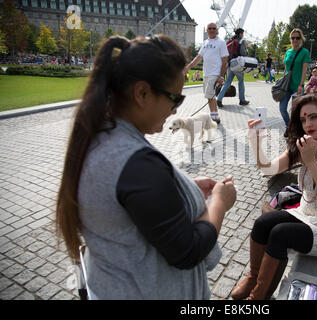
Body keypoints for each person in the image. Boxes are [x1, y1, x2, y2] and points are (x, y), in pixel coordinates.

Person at [55, 35, 237, 300]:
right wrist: (219, 202)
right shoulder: (137, 163)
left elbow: (128, 207)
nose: (175, 110)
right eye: (175, 98)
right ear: (142, 93)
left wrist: (178, 189)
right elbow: (187, 251)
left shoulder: (97, 136)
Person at [230, 94, 317, 300]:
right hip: (306, 214)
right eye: (302, 120)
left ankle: (257, 299)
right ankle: (253, 278)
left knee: (281, 234)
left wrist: (311, 162)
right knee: (263, 223)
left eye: (313, 117)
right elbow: (268, 170)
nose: (307, 124)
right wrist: (255, 143)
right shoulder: (304, 147)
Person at [184, 22, 228, 124]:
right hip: (206, 74)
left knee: (210, 95)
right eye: (210, 28)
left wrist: (221, 76)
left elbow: (225, 60)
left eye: (214, 28)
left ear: (217, 30)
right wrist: (189, 67)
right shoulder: (205, 43)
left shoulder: (221, 43)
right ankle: (214, 115)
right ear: (207, 30)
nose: (212, 30)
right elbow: (198, 57)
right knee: (209, 96)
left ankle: (215, 117)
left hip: (215, 73)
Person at [279, 28, 311, 137]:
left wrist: (301, 84)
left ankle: (296, 131)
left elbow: (304, 69)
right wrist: (282, 81)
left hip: (297, 86)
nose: (295, 40)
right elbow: (286, 68)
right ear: (290, 39)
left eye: (297, 38)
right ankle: (289, 126)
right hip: (286, 86)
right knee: (282, 108)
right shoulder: (288, 52)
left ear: (301, 39)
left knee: (295, 111)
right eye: (293, 38)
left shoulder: (304, 52)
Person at [216, 28, 250, 107]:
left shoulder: (230, 41)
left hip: (230, 63)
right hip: (237, 64)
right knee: (241, 81)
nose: (243, 35)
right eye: (242, 33)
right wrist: (246, 50)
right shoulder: (240, 41)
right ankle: (242, 100)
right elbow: (242, 52)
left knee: (227, 82)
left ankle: (219, 99)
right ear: (240, 34)